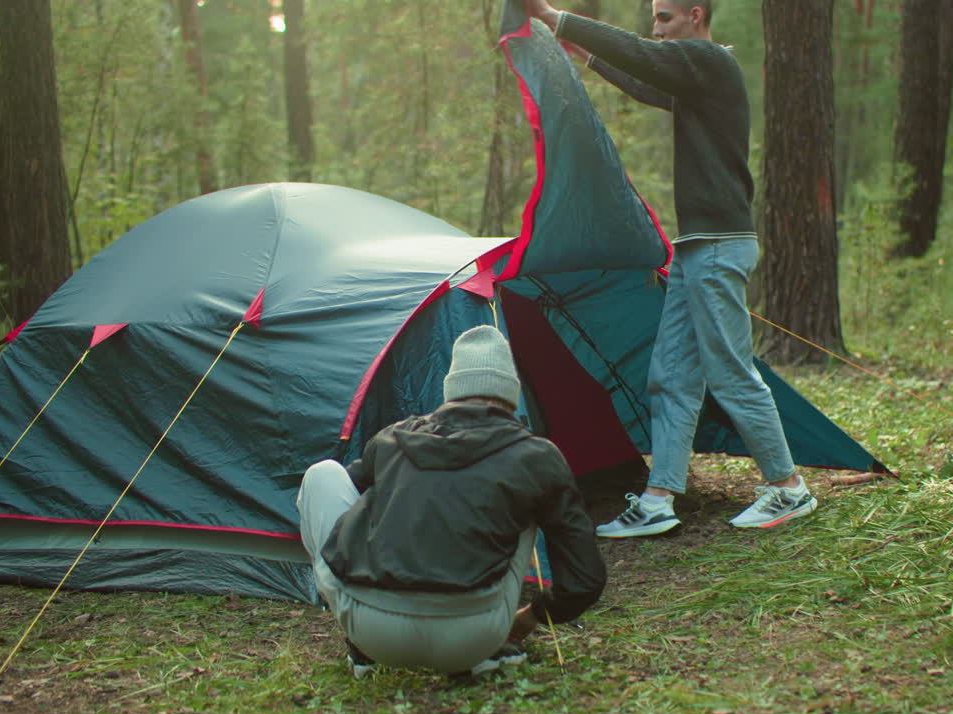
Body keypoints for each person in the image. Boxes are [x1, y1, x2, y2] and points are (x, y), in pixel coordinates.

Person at [523, 0, 816, 537]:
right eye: (654, 19)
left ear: (696, 16)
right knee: (671, 377)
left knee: (729, 371)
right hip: (695, 248)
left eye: (664, 18)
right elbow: (645, 83)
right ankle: (659, 500)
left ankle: (788, 488)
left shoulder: (711, 62)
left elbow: (643, 57)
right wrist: (583, 54)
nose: (654, 30)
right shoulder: (694, 77)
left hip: (719, 245)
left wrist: (553, 16)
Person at [296, 325, 606, 678]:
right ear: (511, 394)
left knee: (323, 475)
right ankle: (488, 653)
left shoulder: (393, 439)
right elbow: (584, 580)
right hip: (474, 637)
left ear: (452, 390)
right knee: (526, 498)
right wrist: (532, 616)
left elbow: (344, 497)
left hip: (370, 628)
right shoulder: (536, 455)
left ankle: (359, 646)